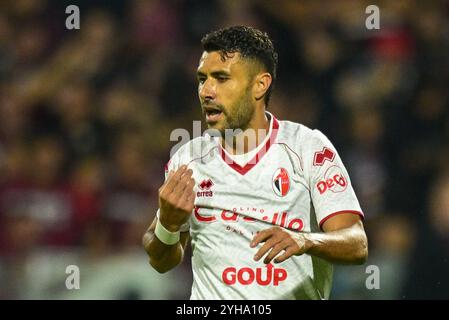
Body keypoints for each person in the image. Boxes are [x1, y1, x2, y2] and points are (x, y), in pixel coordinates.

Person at [142, 26, 368, 300]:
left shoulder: (306, 148)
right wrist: (167, 224)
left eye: (221, 78)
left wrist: (305, 240)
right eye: (203, 79)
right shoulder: (188, 158)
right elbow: (162, 261)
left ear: (260, 84)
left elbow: (357, 244)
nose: (206, 92)